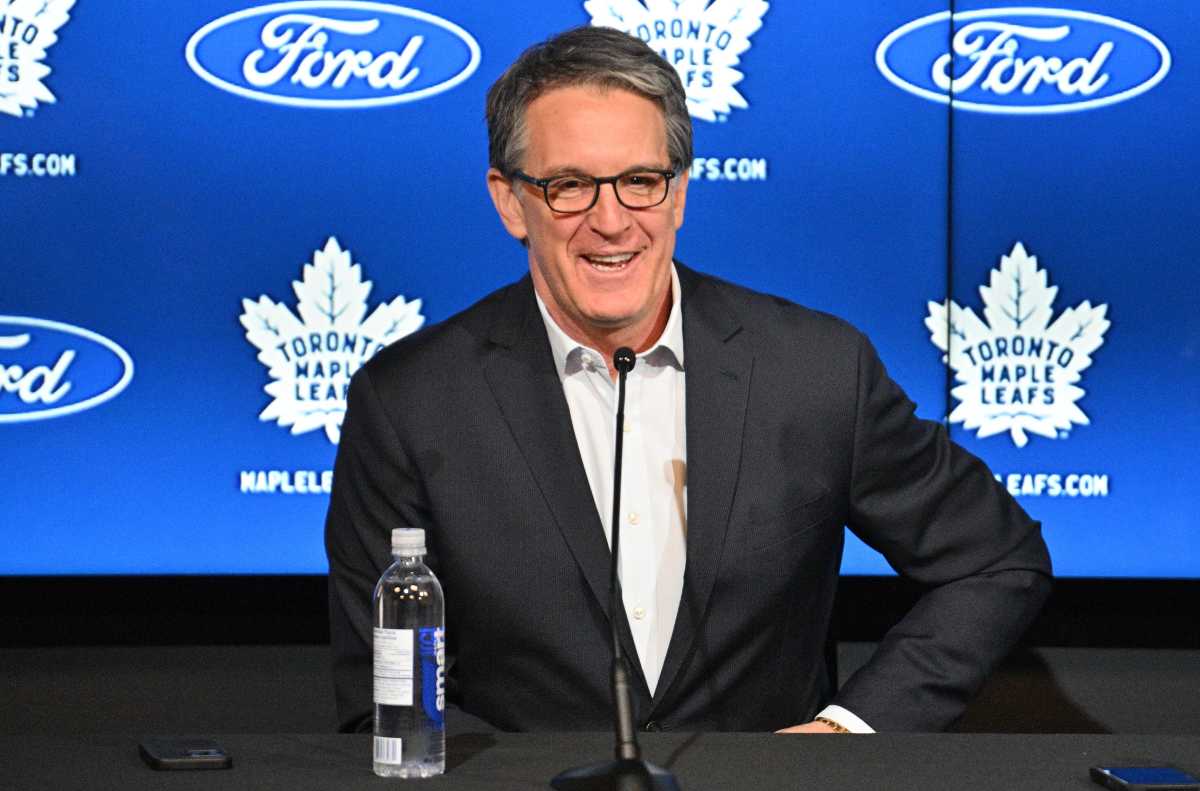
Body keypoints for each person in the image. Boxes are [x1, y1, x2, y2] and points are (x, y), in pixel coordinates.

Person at [325, 26, 1052, 735]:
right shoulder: (410, 402)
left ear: (677, 194)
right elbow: (384, 697)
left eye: (640, 182)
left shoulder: (818, 370)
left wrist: (846, 734)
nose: (612, 221)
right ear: (511, 201)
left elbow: (997, 560)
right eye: (570, 186)